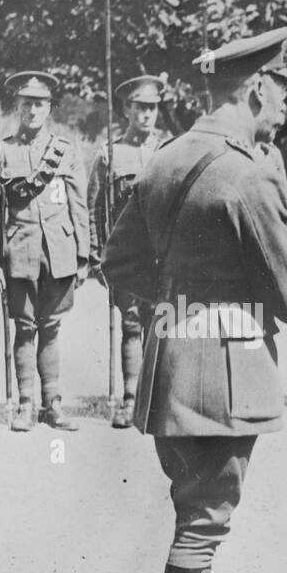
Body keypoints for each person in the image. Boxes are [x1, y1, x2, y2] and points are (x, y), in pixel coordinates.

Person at [102, 27, 287, 573]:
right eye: (284, 89)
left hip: (172, 369)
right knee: (201, 529)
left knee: (192, 519)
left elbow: (117, 266)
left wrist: (175, 312)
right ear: (258, 88)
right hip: (226, 376)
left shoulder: (165, 159)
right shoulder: (252, 171)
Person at [0, 71, 89, 432]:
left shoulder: (65, 151)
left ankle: (52, 403)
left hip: (58, 252)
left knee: (51, 328)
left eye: (39, 104)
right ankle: (25, 403)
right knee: (24, 328)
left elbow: (79, 205)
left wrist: (83, 257)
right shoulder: (1, 150)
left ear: (50, 107)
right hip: (19, 252)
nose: (33, 110)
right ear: (17, 107)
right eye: (26, 104)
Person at [87, 74, 169, 428]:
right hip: (128, 257)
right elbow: (94, 208)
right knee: (132, 323)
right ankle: (131, 397)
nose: (147, 115)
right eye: (140, 107)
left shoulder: (170, 151)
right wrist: (96, 257)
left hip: (163, 256)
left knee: (163, 323)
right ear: (127, 109)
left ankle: (160, 395)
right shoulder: (109, 155)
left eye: (152, 108)